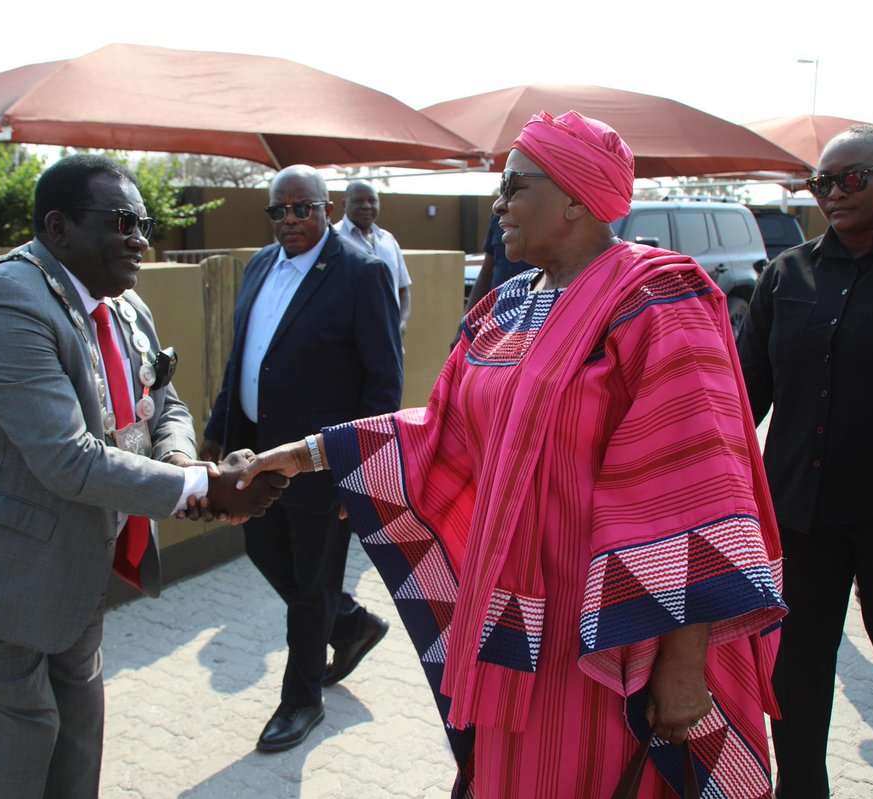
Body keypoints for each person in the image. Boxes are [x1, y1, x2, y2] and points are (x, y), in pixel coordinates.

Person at [237, 112, 788, 798]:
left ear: (577, 198)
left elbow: (698, 487)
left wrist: (683, 666)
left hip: (619, 628)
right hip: (520, 621)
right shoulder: (503, 310)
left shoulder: (657, 303)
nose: (497, 205)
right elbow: (439, 430)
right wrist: (305, 453)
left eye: (513, 186)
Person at [0, 154, 285, 798]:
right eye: (124, 222)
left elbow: (166, 403)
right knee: (23, 736)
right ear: (59, 227)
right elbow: (67, 457)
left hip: (73, 560)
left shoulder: (124, 303)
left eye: (145, 222)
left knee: (79, 728)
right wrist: (203, 489)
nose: (142, 238)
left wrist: (183, 462)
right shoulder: (5, 302)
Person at [738, 125, 873, 799]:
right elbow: (742, 395)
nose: (835, 192)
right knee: (792, 681)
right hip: (799, 518)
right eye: (823, 181)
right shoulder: (787, 275)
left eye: (852, 178)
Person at [200, 165, 403, 752]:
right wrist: (218, 429)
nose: (289, 220)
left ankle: (302, 700)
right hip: (254, 455)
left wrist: (358, 473)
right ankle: (348, 624)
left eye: (301, 208)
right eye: (278, 210)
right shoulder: (261, 265)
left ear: (326, 207)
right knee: (262, 550)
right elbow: (246, 357)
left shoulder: (361, 274)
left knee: (311, 587)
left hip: (319, 462)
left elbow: (383, 385)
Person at [336, 180, 412, 336]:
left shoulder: (388, 240)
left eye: (372, 200)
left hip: (390, 338)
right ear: (344, 203)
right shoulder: (333, 238)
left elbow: (403, 289)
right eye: (359, 200)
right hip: (347, 343)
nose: (366, 206)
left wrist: (402, 322)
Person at [454, 213, 533, 347]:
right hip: (495, 328)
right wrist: (464, 328)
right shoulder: (498, 217)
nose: (498, 205)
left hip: (529, 330)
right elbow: (486, 274)